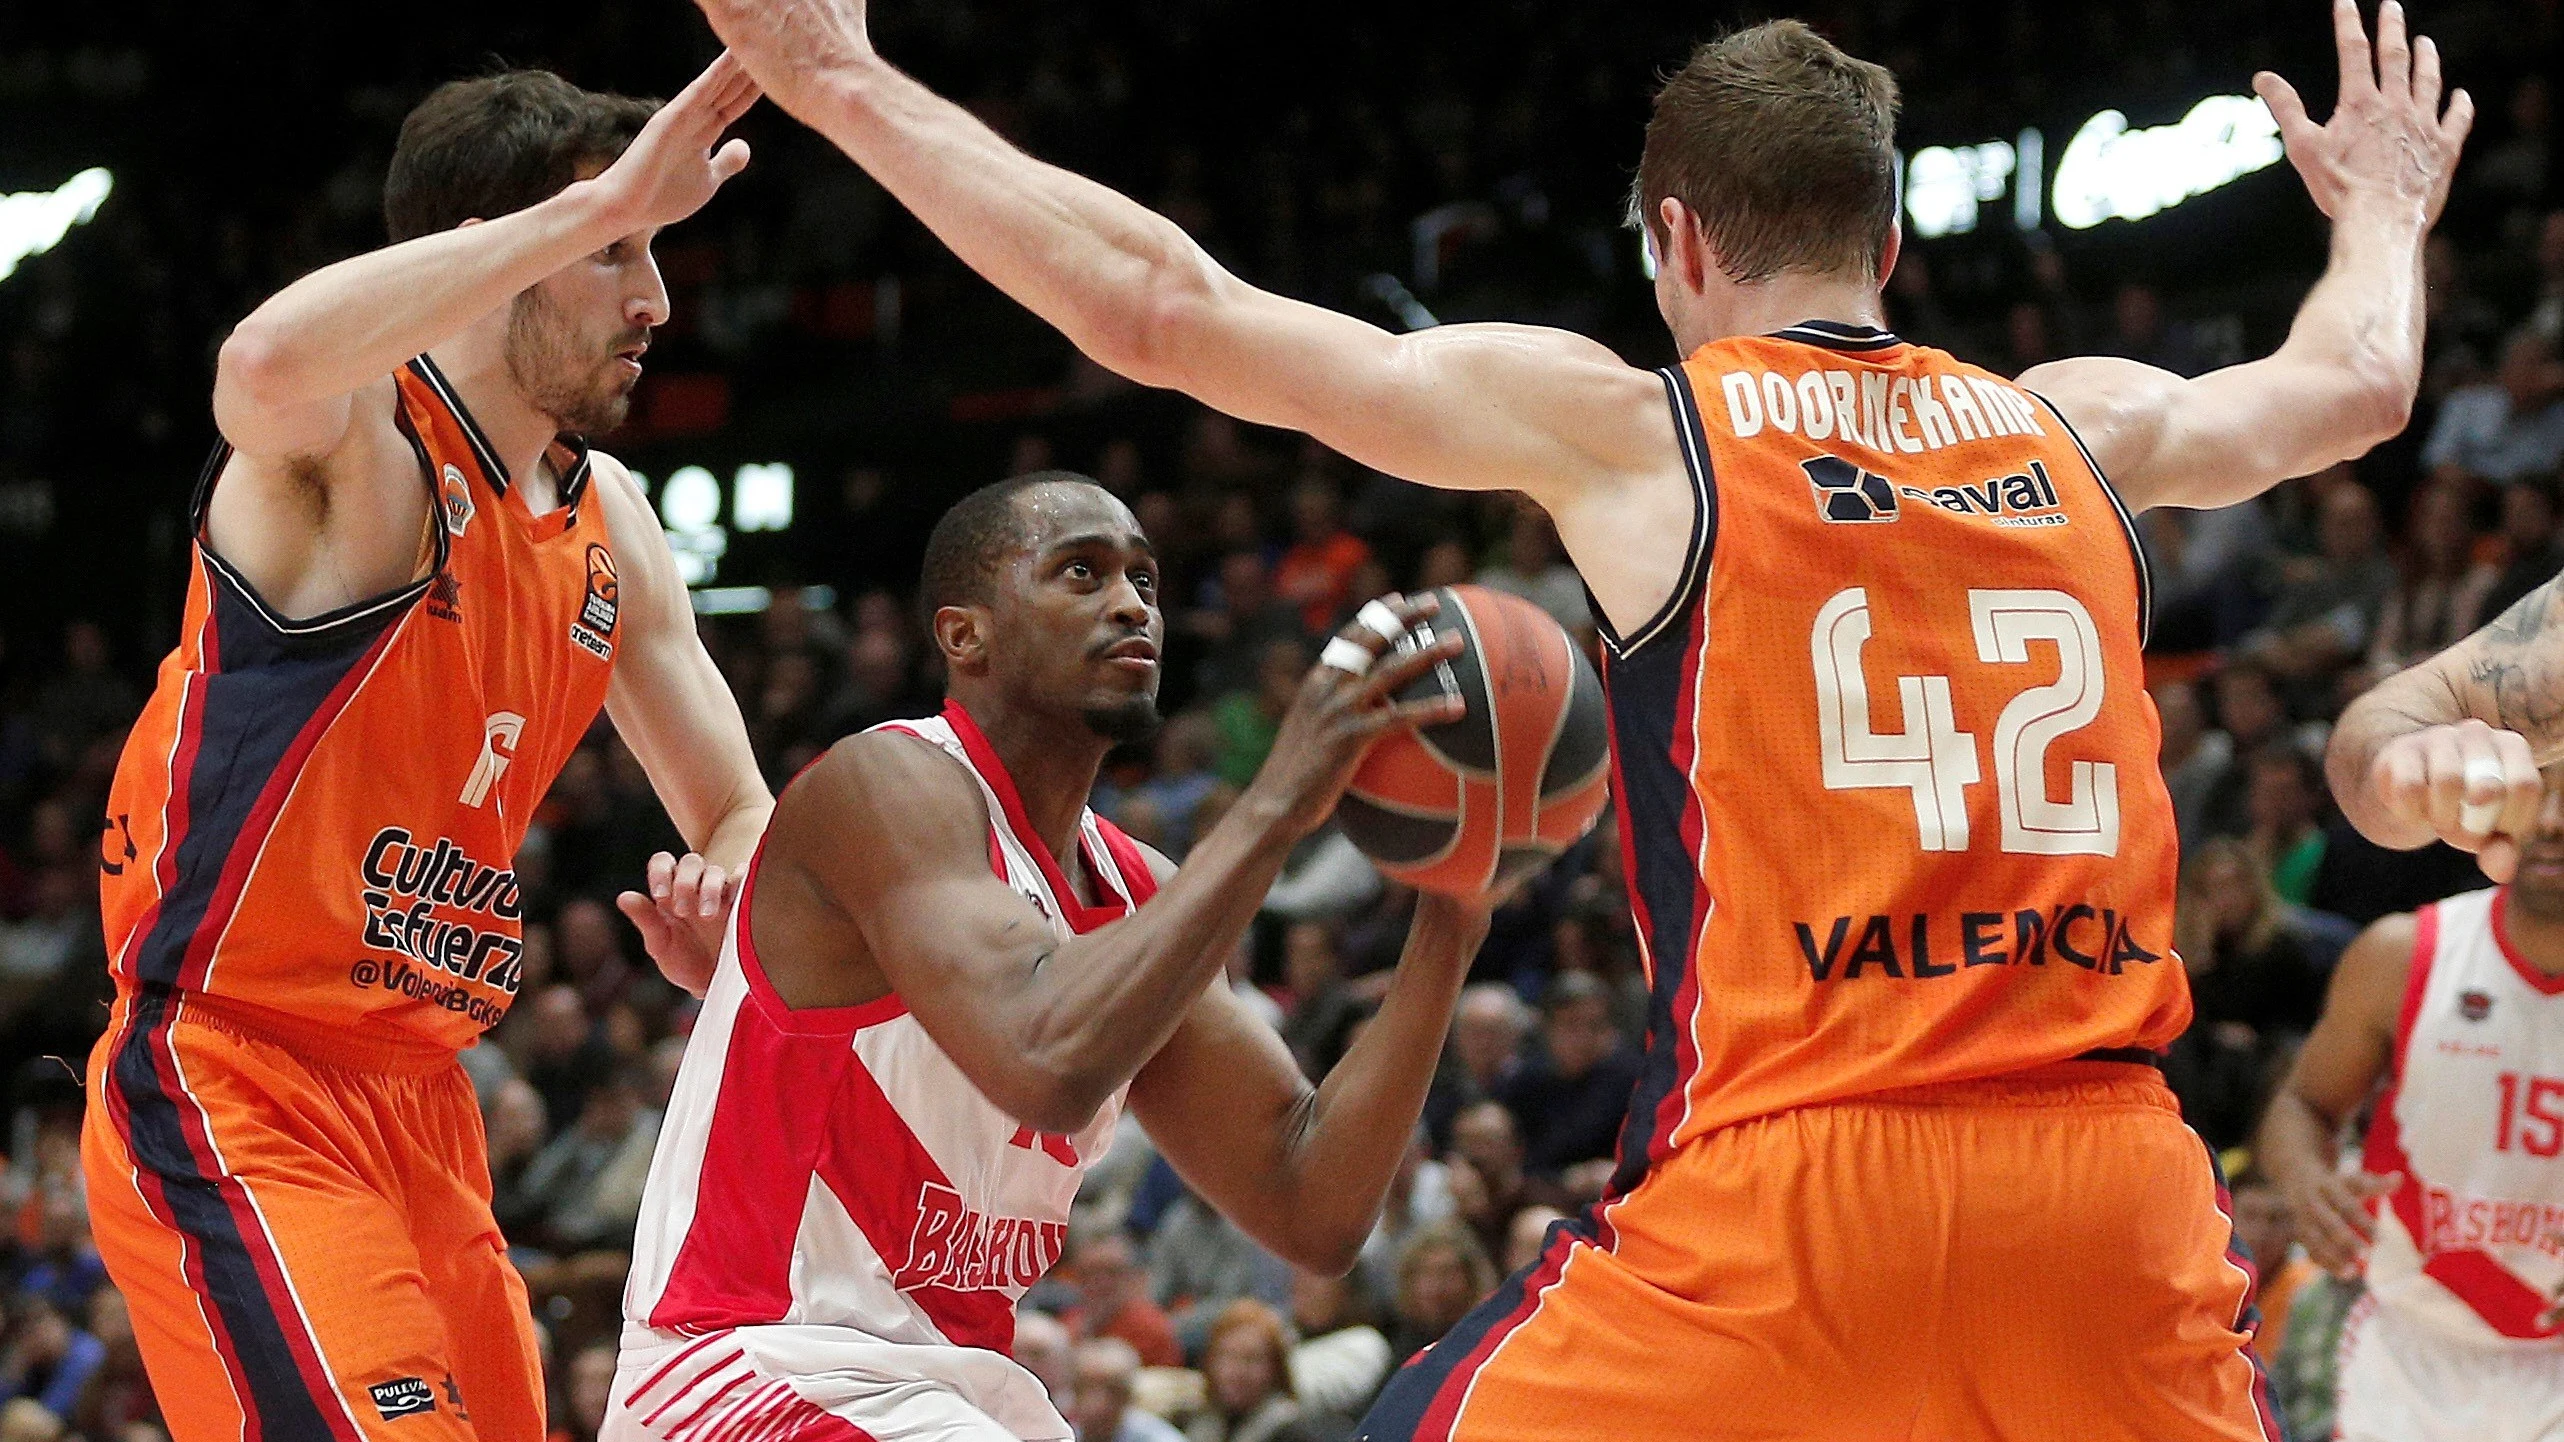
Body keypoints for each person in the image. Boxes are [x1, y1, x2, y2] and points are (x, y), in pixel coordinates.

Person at [689, 0, 2467, 1434]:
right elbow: (2357, 380)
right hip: (2107, 1189)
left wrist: (837, 76)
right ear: (1890, 235)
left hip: (1785, 1200)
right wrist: (2378, 201)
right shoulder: (2080, 426)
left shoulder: (1643, 429)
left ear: (1675, 239)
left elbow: (1160, 307)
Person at [81, 55, 777, 1442]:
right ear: (493, 256)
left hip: (427, 1110)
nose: (657, 300)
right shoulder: (357, 452)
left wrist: (741, 932)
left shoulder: (614, 526)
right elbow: (262, 360)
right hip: (239, 1079)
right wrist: (582, 209)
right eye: (620, 250)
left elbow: (740, 811)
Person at [610, 475, 1495, 1441]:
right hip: (749, 1365)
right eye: (1082, 571)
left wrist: (1449, 921)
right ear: (965, 636)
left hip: (954, 1392)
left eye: (1147, 582)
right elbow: (1047, 1064)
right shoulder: (886, 785)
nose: (1130, 603)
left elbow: (1312, 1205)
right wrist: (1280, 799)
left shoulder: (1139, 892)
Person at [2256, 764, 2564, 1442]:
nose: (2551, 822)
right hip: (2410, 1349)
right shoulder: (2405, 953)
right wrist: (2311, 1183)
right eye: (2539, 793)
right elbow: (2302, 1105)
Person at [1068, 1337, 1185, 1442]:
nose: (1097, 1403)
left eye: (1113, 1391)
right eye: (1085, 1388)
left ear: (1129, 1395)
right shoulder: (1064, 1434)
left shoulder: (1160, 1438)